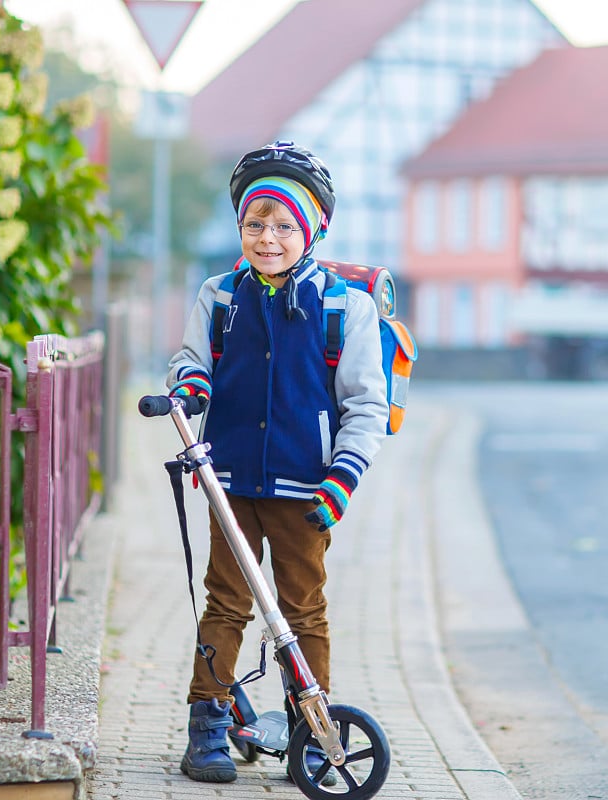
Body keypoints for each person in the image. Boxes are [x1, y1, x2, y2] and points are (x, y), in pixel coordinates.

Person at [165, 141, 389, 784]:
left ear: (313, 229)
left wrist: (343, 478)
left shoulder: (346, 307)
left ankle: (310, 732)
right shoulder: (219, 296)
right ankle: (206, 723)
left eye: (285, 225)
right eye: (255, 224)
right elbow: (190, 362)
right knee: (227, 602)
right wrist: (189, 388)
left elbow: (366, 407)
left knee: (302, 608)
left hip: (307, 489)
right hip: (229, 478)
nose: (269, 238)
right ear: (240, 227)